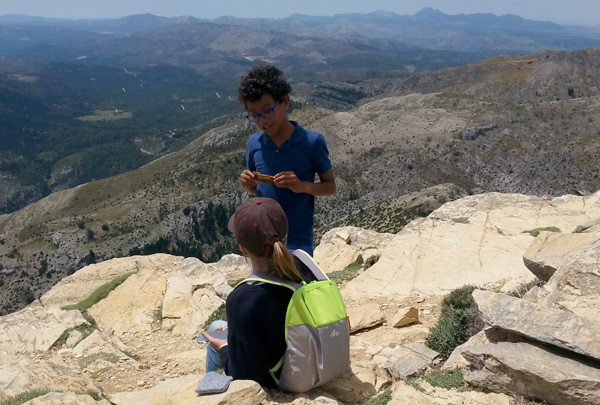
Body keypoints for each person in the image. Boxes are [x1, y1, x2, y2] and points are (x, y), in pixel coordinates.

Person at [201, 197, 309, 388]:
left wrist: (224, 348)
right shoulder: (304, 268)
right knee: (218, 326)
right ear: (285, 236)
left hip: (281, 378)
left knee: (215, 339)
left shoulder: (241, 299)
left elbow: (246, 376)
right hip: (309, 358)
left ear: (241, 246)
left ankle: (209, 387)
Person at [237, 64, 336, 255]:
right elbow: (257, 190)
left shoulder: (312, 142)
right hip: (262, 242)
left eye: (267, 111)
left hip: (297, 244)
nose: (262, 121)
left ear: (285, 102)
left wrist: (301, 186)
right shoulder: (254, 144)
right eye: (254, 115)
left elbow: (330, 186)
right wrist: (248, 185)